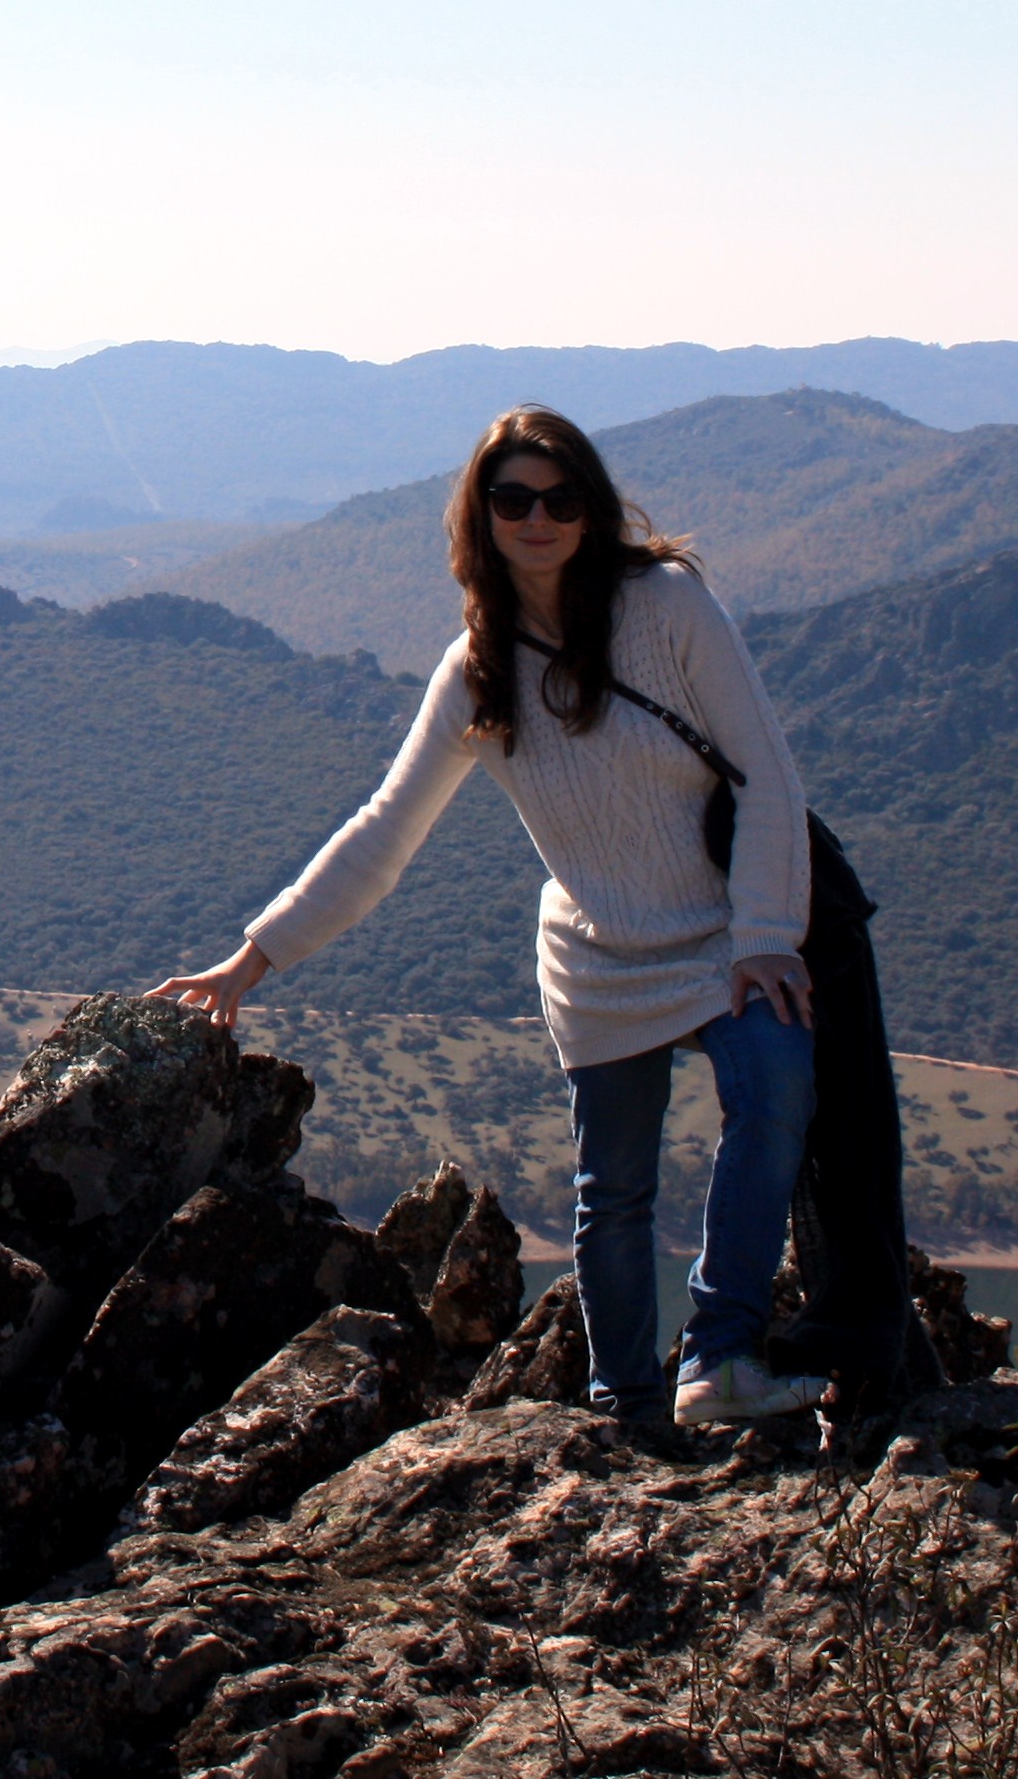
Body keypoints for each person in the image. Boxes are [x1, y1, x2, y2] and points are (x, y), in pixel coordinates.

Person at [152, 405, 823, 1426]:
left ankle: (720, 1356)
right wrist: (253, 956)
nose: (537, 519)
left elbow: (767, 774)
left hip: (720, 934)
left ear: (592, 509)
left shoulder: (668, 604)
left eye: (560, 498)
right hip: (597, 955)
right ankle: (625, 1406)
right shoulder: (475, 673)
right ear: (482, 518)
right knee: (614, 1192)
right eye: (513, 500)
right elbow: (382, 833)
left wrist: (765, 934)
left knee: (774, 1085)